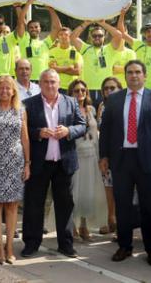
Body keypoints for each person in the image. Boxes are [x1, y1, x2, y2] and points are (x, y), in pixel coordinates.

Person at [99, 60, 151, 266]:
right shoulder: (114, 100)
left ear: (145, 75)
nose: (134, 76)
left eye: (137, 72)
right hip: (121, 159)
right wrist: (103, 156)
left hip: (147, 160)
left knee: (148, 206)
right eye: (130, 72)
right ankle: (125, 246)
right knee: (122, 205)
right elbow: (105, 130)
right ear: (125, 76)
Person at [21, 69, 87, 258]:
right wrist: (38, 133)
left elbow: (82, 126)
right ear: (40, 84)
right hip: (39, 163)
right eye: (46, 82)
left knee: (65, 205)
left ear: (59, 83)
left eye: (53, 82)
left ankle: (66, 244)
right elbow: (24, 130)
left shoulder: (71, 102)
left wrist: (68, 130)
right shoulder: (28, 104)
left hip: (64, 163)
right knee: (34, 204)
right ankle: (31, 243)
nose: (50, 85)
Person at [0, 76, 30, 264]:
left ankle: (9, 246)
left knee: (12, 206)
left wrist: (27, 163)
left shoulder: (20, 110)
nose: (4, 91)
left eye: (8, 88)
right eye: (1, 88)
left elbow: (24, 138)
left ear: (13, 91)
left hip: (15, 162)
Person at [68, 79, 106, 242]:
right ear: (71, 93)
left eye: (83, 90)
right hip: (75, 155)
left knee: (88, 193)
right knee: (74, 193)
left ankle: (85, 226)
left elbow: (95, 133)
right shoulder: (67, 109)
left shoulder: (90, 109)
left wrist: (99, 156)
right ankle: (73, 227)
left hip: (91, 155)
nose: (80, 93)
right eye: (76, 91)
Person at [71, 20, 124, 104]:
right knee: (89, 115)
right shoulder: (85, 48)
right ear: (90, 37)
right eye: (94, 35)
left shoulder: (110, 48)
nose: (97, 38)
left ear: (104, 36)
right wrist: (86, 23)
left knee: (105, 116)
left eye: (100, 35)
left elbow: (118, 35)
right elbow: (73, 37)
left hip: (106, 89)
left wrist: (102, 23)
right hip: (88, 90)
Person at [96, 76, 122, 236]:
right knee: (108, 187)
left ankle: (121, 223)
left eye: (112, 88)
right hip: (107, 152)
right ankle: (110, 220)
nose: (109, 91)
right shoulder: (101, 106)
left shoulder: (124, 104)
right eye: (106, 88)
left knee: (122, 189)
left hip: (123, 153)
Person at [16, 0, 62, 81]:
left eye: (36, 27)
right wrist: (28, 3)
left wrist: (50, 9)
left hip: (43, 80)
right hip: (26, 79)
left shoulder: (45, 43)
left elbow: (58, 28)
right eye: (31, 27)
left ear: (40, 29)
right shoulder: (23, 40)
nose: (34, 29)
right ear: (28, 29)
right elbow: (20, 22)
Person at [120, 22, 151, 94]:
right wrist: (122, 14)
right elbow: (122, 33)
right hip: (139, 88)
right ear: (145, 34)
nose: (150, 34)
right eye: (148, 31)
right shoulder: (138, 45)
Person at [47, 27, 83, 92]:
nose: (63, 37)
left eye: (66, 35)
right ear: (57, 37)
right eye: (61, 35)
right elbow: (53, 69)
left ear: (70, 37)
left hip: (73, 87)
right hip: (57, 87)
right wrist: (69, 67)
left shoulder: (76, 52)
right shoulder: (52, 51)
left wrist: (59, 69)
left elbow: (77, 71)